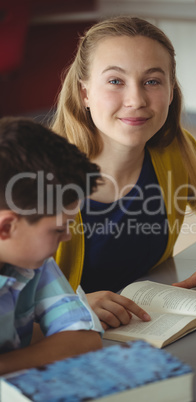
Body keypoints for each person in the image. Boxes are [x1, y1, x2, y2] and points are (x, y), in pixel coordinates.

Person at [51, 16, 196, 330]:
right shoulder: (38, 172)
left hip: (147, 329)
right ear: (84, 93)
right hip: (67, 346)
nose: (136, 100)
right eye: (115, 81)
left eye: (152, 81)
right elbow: (11, 304)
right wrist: (71, 308)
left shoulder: (176, 152)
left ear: (171, 91)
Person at [0, 117, 103, 375]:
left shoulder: (34, 263)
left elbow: (85, 340)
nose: (67, 236)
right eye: (58, 229)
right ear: (6, 228)